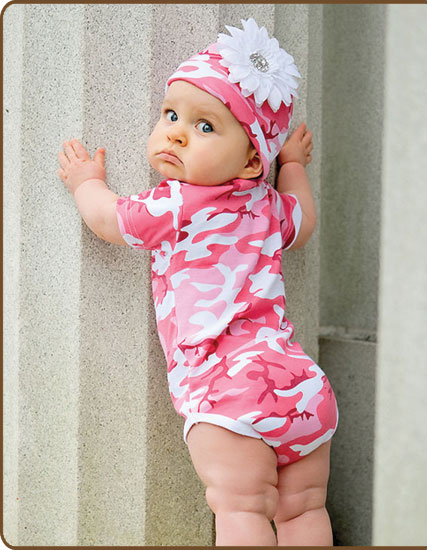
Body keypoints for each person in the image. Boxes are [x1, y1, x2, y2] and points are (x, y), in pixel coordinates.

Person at [57, 18, 338, 547]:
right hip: (302, 385)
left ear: (253, 157)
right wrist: (294, 164)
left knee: (242, 511)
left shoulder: (179, 202)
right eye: (170, 115)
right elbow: (304, 220)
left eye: (205, 126)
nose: (177, 132)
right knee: (303, 511)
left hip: (228, 396)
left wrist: (86, 183)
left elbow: (108, 220)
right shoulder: (266, 204)